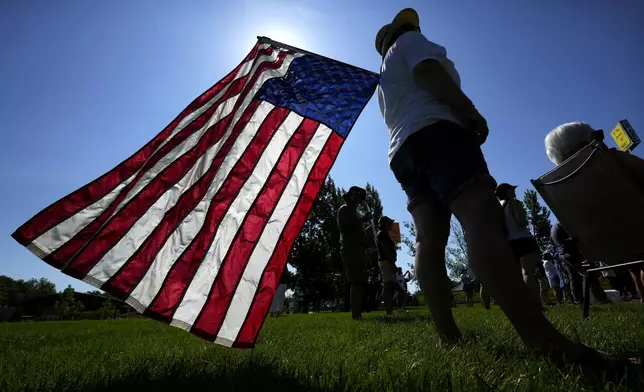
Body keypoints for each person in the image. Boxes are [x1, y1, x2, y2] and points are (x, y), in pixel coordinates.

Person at [375, 8, 604, 362]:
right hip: (438, 132)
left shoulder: (384, 77)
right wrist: (469, 110)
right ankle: (545, 340)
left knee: (427, 239)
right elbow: (429, 71)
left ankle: (449, 338)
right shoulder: (410, 42)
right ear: (403, 30)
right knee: (480, 219)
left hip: (402, 151)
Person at [545, 121, 644, 302]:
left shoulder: (559, 186)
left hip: (603, 249)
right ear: (587, 141)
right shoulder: (613, 161)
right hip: (637, 231)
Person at [495, 183, 543, 305]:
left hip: (511, 244)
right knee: (528, 273)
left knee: (518, 276)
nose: (514, 192)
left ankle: (521, 303)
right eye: (512, 189)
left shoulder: (499, 208)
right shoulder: (514, 203)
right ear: (507, 192)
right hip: (524, 240)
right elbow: (522, 222)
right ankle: (535, 303)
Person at [551, 221, 608, 304]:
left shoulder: (554, 227)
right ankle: (601, 299)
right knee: (590, 274)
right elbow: (575, 237)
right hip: (572, 252)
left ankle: (578, 300)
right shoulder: (563, 223)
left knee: (574, 277)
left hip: (563, 254)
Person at [337, 186, 370, 320]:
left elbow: (358, 231)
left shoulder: (355, 213)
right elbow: (344, 227)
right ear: (349, 196)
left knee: (360, 281)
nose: (357, 199)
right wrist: (362, 221)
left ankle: (358, 313)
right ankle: (356, 316)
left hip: (358, 248)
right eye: (355, 195)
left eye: (360, 197)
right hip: (350, 247)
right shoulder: (344, 209)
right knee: (355, 281)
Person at [377, 216, 403, 315]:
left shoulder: (384, 234)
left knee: (389, 286)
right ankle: (389, 312)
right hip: (386, 261)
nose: (391, 225)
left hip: (388, 261)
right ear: (385, 224)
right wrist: (392, 263)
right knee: (387, 286)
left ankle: (391, 311)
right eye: (389, 223)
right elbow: (385, 250)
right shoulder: (383, 234)